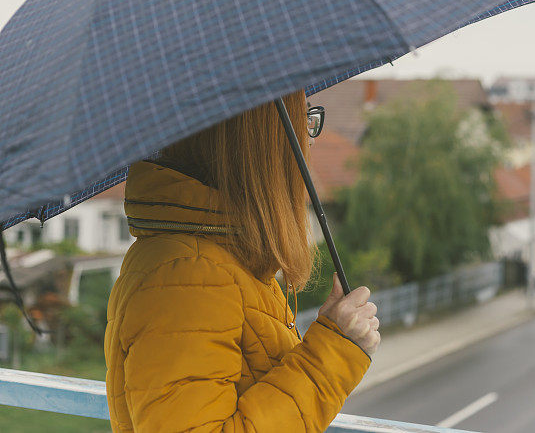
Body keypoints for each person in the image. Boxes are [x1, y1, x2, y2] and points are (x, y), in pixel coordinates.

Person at [104, 91, 380, 432]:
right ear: (259, 143)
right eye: (302, 120)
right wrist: (330, 357)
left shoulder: (224, 260)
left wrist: (334, 338)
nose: (308, 138)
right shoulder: (190, 277)